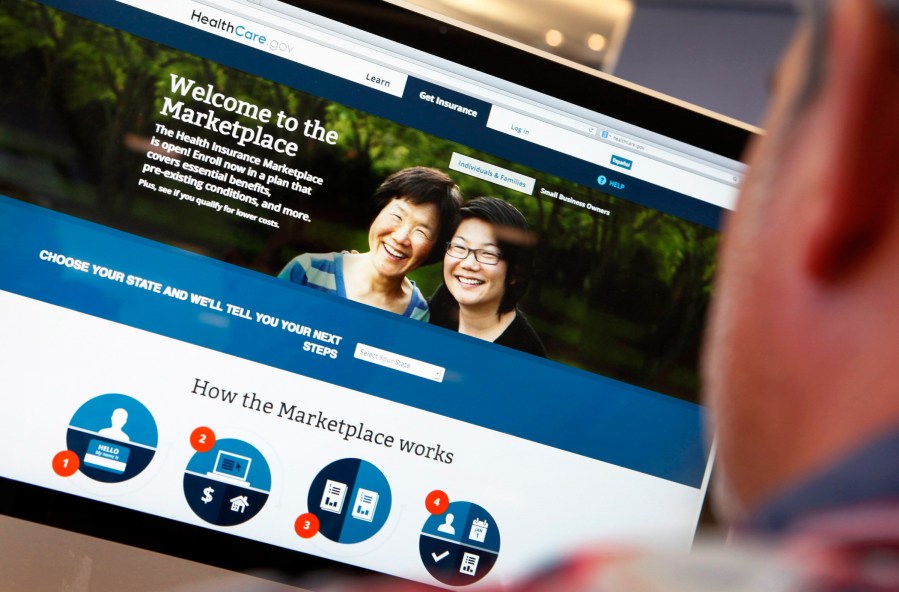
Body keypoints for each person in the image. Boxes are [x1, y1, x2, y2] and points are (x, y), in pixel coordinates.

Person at [320, 0, 899, 589]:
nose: (466, 264)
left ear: (846, 132)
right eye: (458, 249)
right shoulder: (424, 316)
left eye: (487, 254)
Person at [279, 167, 462, 321]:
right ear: (379, 211)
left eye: (421, 232)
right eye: (397, 216)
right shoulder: (308, 271)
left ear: (436, 247)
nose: (400, 238)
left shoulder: (417, 314)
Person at [428, 197, 547, 357]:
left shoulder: (526, 356)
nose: (468, 264)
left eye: (488, 253)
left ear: (514, 272)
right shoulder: (444, 301)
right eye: (460, 246)